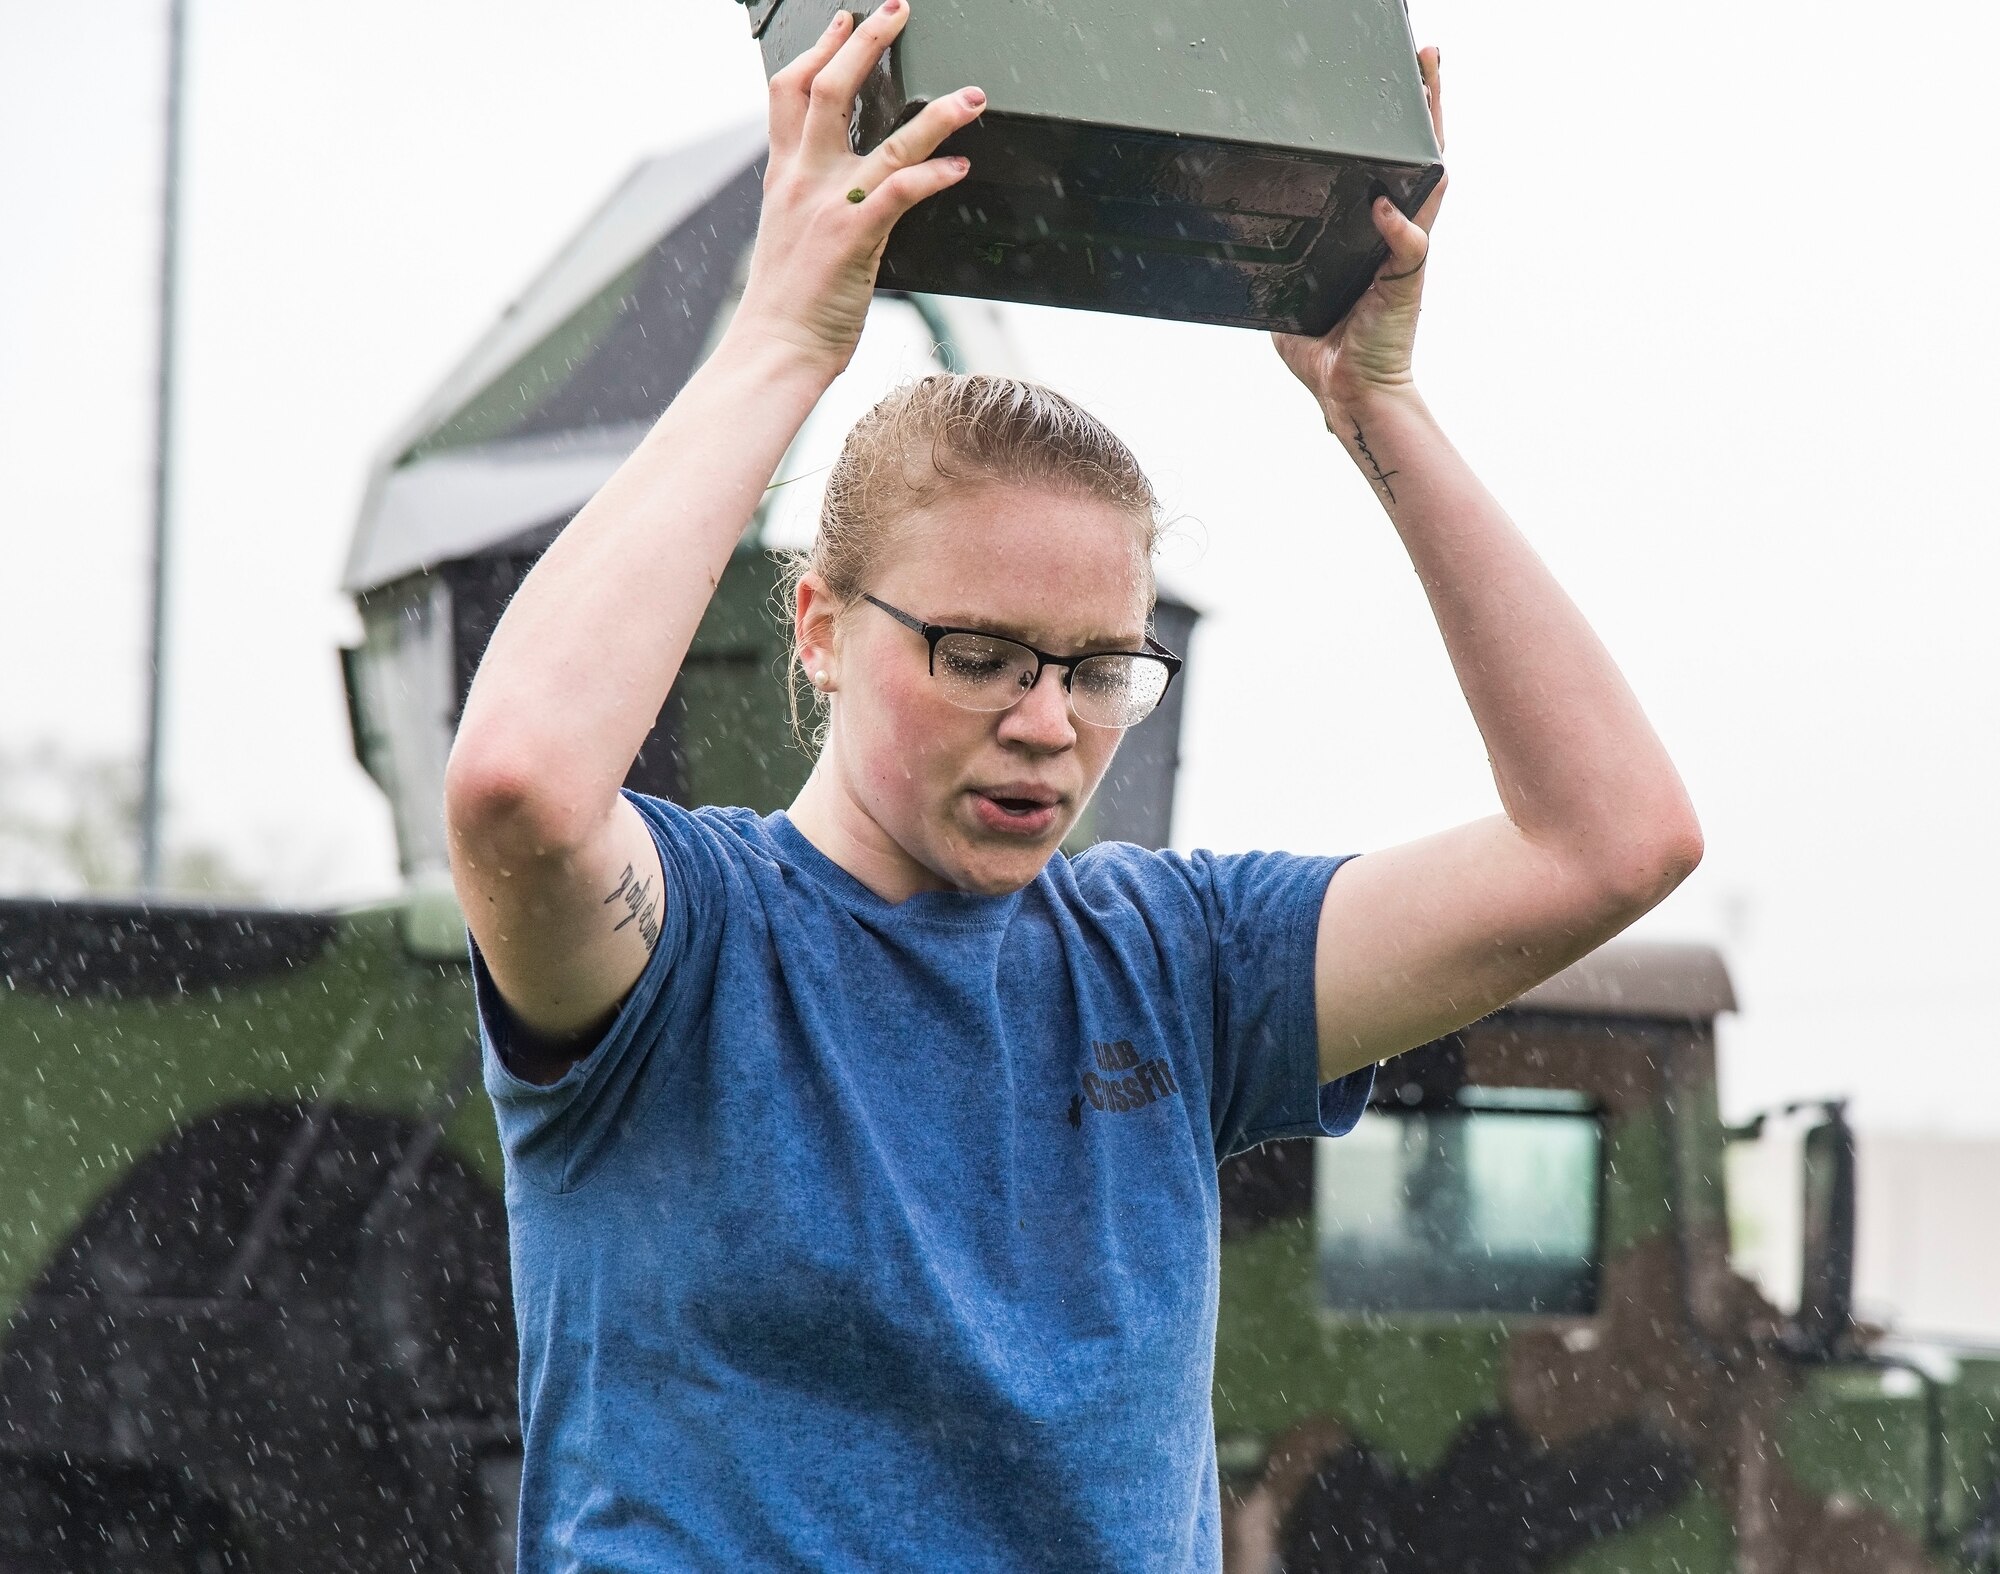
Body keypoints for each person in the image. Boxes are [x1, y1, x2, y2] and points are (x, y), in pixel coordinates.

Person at [442, 3, 1704, 1569]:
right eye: (978, 652)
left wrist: (1377, 404)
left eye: (1098, 665)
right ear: (822, 628)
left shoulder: (1177, 964)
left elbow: (1615, 840)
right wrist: (781, 339)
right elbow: (514, 789)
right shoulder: (689, 946)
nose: (1048, 721)